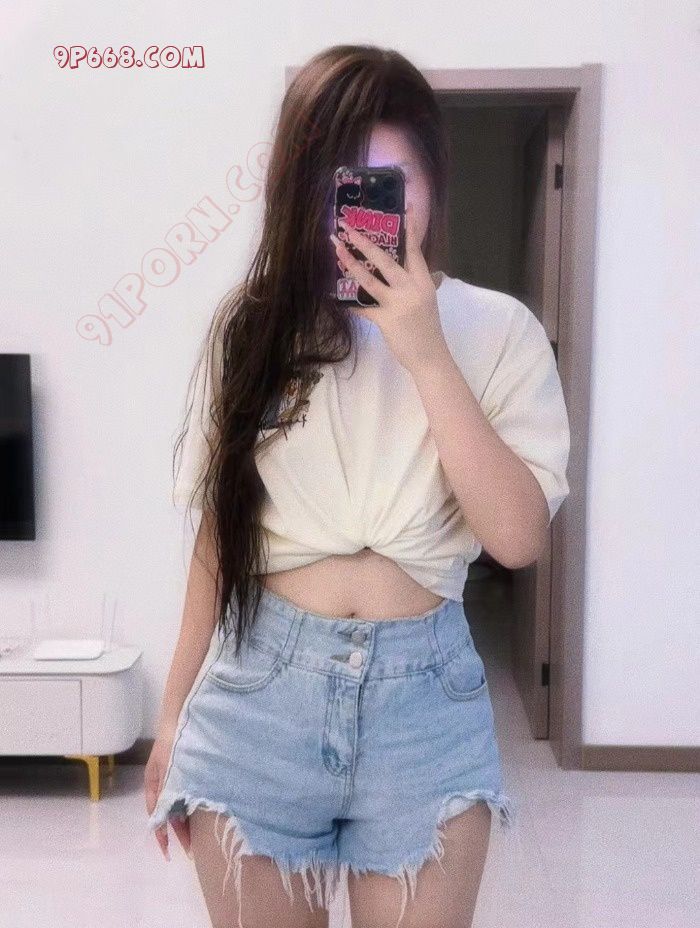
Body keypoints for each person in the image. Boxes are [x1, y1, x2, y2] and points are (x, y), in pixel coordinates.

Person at [144, 43, 570, 928]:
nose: (366, 211)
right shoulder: (252, 329)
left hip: (426, 704)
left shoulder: (498, 330)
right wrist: (172, 712)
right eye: (341, 184)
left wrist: (425, 351)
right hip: (258, 696)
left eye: (390, 183)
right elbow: (220, 535)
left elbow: (518, 538)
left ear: (432, 187)